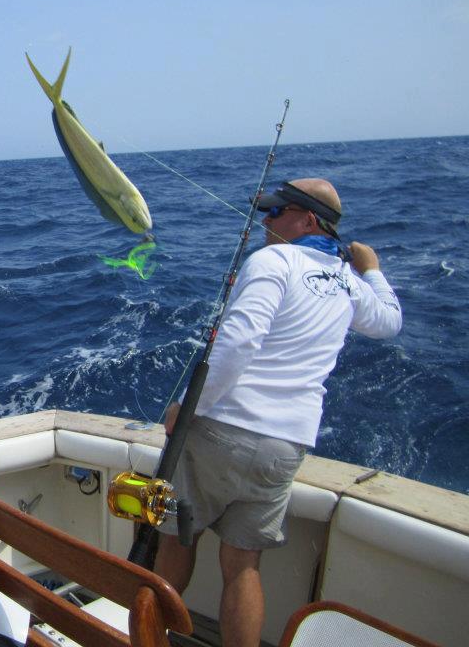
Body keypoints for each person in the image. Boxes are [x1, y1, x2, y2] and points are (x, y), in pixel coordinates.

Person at [153, 178, 402, 647]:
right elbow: (390, 322)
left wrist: (185, 410)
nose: (265, 221)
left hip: (220, 431)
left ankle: (148, 639)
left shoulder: (271, 260)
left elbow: (239, 342)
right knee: (243, 566)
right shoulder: (349, 283)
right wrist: (371, 270)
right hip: (284, 448)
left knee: (175, 539)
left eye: (275, 212)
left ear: (308, 220)